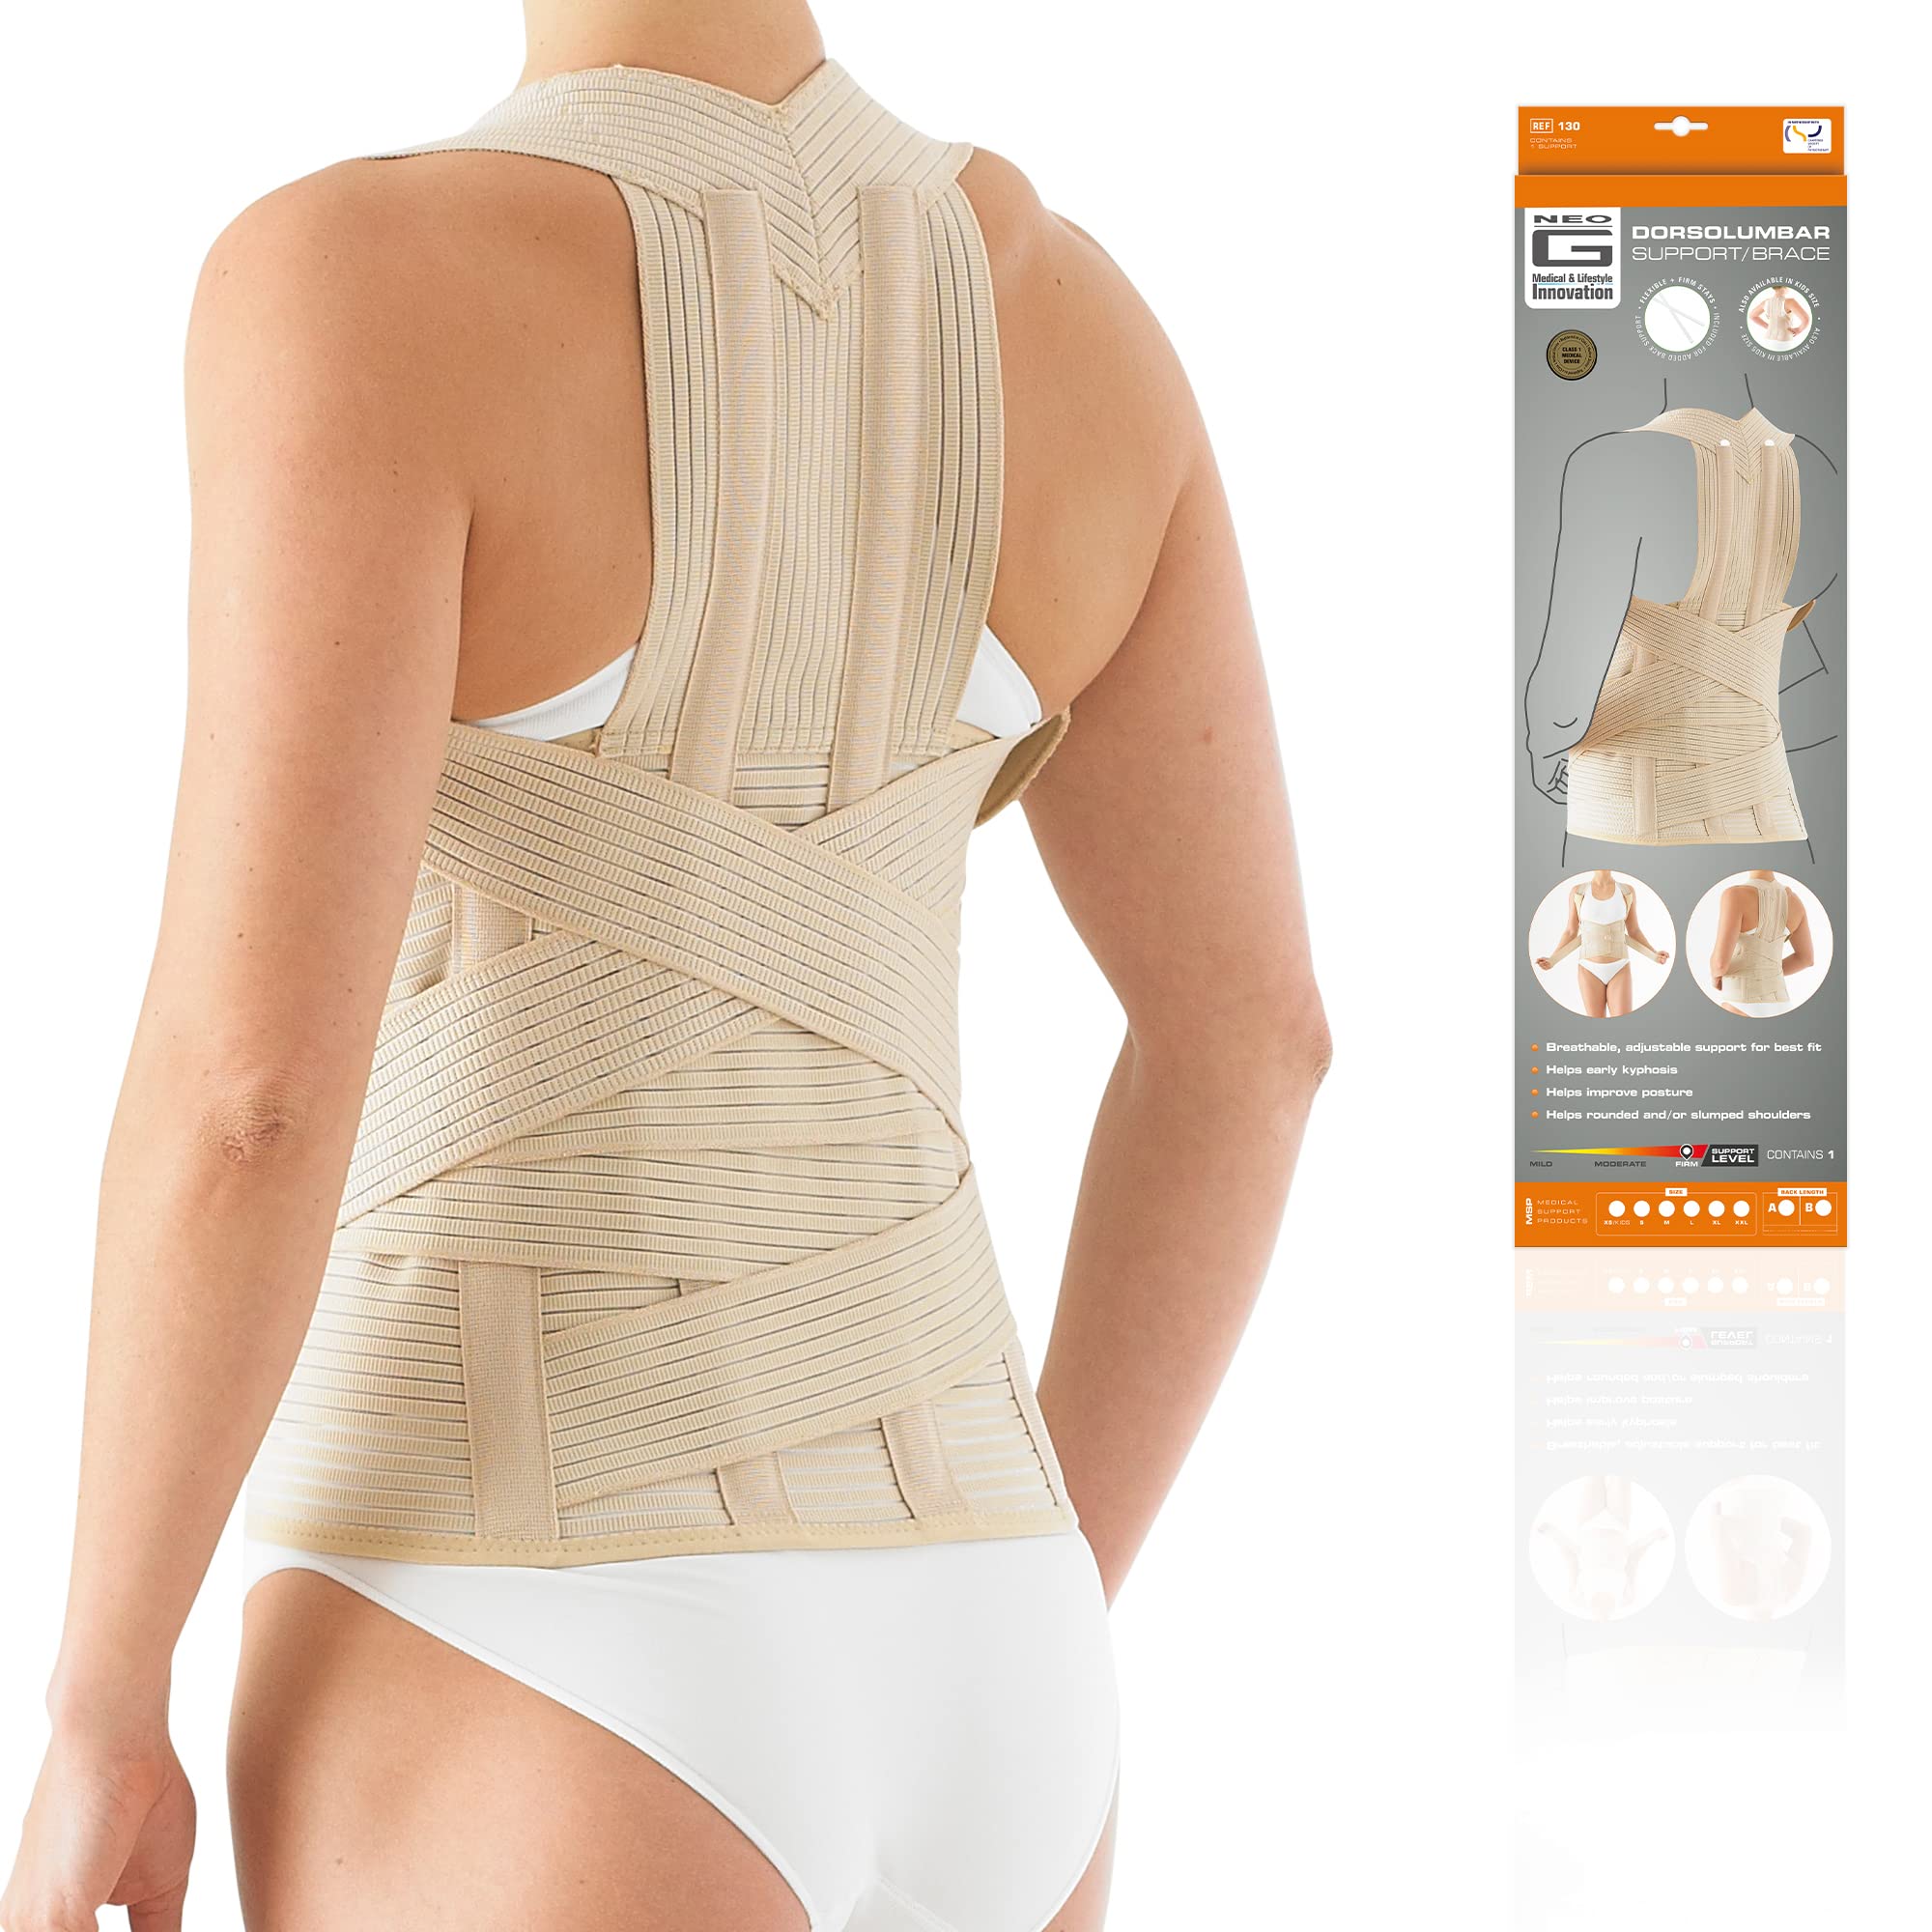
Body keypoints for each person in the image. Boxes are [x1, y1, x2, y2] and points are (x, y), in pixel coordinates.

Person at [1, 4, 1328, 1928]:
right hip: (1004, 1652)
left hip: (528, 1631)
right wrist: (1001, 1601)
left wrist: (99, 1700)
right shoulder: (1079, 326)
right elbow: (1253, 1048)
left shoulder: (361, 283)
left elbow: (250, 1097)